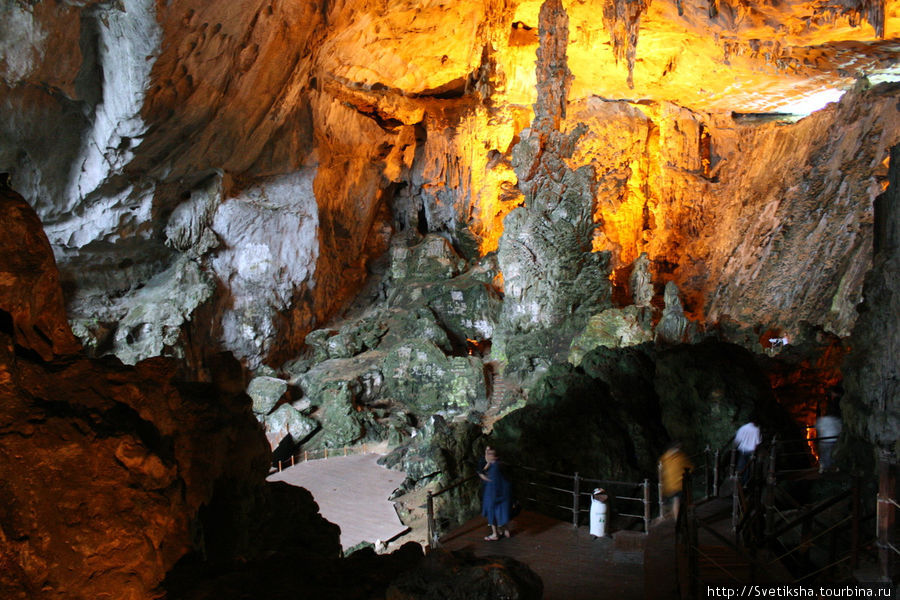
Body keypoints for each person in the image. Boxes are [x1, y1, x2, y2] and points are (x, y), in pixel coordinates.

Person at [478, 447, 512, 541]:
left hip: (493, 495)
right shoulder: (496, 465)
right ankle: (505, 530)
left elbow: (492, 480)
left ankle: (495, 534)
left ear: (495, 456)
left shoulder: (496, 467)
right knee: (500, 512)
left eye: (490, 454)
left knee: (492, 513)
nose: (488, 455)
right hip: (497, 494)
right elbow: (483, 472)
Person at [660, 443, 693, 520]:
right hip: (679, 483)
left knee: (675, 500)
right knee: (677, 500)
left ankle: (671, 515)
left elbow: (662, 470)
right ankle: (678, 519)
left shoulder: (665, 457)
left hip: (669, 484)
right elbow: (689, 467)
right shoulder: (680, 457)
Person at [734, 420, 761, 485]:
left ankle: (739, 482)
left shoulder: (743, 428)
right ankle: (745, 482)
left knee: (741, 465)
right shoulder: (756, 430)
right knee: (748, 467)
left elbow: (737, 440)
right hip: (751, 451)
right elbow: (757, 442)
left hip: (742, 450)